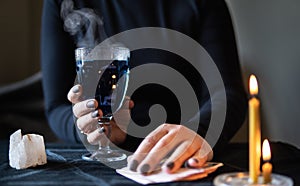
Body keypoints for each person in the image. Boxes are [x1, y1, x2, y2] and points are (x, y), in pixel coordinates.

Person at [41, 0, 247, 174]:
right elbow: (56, 105)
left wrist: (200, 131)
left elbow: (227, 92)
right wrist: (90, 130)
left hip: (176, 160)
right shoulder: (64, 2)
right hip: (94, 169)